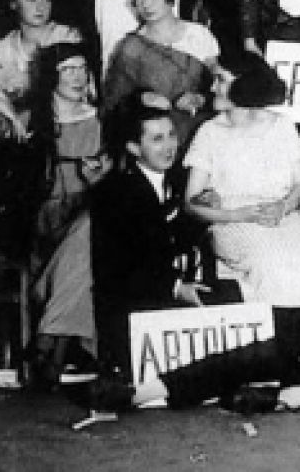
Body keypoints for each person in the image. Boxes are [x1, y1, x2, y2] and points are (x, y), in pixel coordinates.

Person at [184, 52, 300, 307]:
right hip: (231, 222)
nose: (212, 87)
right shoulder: (209, 133)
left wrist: (283, 206)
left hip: (282, 216)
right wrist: (239, 215)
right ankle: (269, 336)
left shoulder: (281, 125)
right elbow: (191, 203)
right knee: (270, 262)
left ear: (245, 84)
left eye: (220, 80)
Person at [89, 98, 207, 388]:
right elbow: (127, 268)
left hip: (172, 296)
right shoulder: (115, 193)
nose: (169, 146)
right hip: (135, 309)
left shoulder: (181, 182)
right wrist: (177, 288)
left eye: (171, 136)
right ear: (133, 148)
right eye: (157, 139)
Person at [25, 44, 108, 388]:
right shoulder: (32, 120)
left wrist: (98, 179)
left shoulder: (99, 121)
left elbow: (111, 181)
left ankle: (49, 342)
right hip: (44, 217)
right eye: (67, 69)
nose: (77, 76)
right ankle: (57, 343)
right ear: (52, 76)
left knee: (91, 229)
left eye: (82, 68)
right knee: (88, 237)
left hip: (88, 210)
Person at [102, 0, 219, 143]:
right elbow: (114, 100)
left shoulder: (199, 35)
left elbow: (219, 83)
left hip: (199, 131)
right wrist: (140, 98)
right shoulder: (130, 46)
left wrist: (200, 98)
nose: (146, 4)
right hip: (153, 137)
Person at [0, 0, 84, 108]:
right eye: (31, 0)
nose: (40, 7)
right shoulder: (1, 50)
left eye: (47, 0)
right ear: (14, 3)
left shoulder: (68, 37)